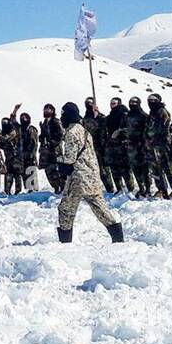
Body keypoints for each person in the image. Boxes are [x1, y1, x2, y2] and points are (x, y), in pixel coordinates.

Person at [56, 102, 124, 243]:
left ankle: (65, 242)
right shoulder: (84, 130)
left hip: (78, 178)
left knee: (65, 209)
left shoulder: (71, 132)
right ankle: (118, 237)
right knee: (100, 207)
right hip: (92, 175)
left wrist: (59, 159)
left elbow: (70, 158)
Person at [144, 94, 172, 198]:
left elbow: (163, 129)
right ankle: (161, 189)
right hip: (152, 146)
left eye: (153, 100)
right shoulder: (151, 113)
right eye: (149, 100)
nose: (151, 102)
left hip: (162, 144)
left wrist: (154, 140)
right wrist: (147, 140)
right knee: (155, 168)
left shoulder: (162, 112)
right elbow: (147, 129)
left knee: (167, 166)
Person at [105, 97, 134, 193]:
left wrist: (120, 132)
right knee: (114, 168)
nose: (112, 105)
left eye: (114, 103)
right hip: (112, 146)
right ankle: (119, 189)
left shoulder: (124, 115)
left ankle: (130, 189)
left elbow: (130, 128)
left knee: (125, 168)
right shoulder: (110, 116)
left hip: (122, 145)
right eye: (111, 103)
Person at [39, 104, 65, 193]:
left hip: (55, 150)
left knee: (57, 170)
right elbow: (43, 135)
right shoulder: (44, 123)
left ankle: (62, 188)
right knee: (48, 171)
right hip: (46, 151)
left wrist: (53, 142)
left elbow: (61, 135)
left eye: (48, 109)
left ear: (52, 111)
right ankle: (56, 187)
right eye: (45, 109)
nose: (46, 111)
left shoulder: (56, 121)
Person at [0, 115, 23, 194]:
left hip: (16, 157)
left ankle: (18, 191)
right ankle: (7, 191)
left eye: (6, 122)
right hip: (8, 157)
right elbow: (1, 144)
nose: (4, 124)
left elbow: (7, 139)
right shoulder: (3, 133)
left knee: (17, 174)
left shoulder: (13, 131)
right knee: (8, 174)